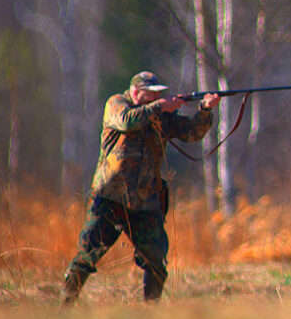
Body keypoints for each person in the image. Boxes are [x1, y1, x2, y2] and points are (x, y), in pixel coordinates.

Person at [61, 70, 220, 305]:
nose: (155, 99)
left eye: (158, 95)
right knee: (88, 254)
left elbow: (191, 132)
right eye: (150, 94)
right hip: (110, 198)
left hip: (146, 201)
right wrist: (161, 107)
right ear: (135, 93)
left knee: (156, 260)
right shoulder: (117, 104)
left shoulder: (159, 115)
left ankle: (150, 310)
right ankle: (66, 304)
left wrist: (205, 110)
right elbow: (127, 121)